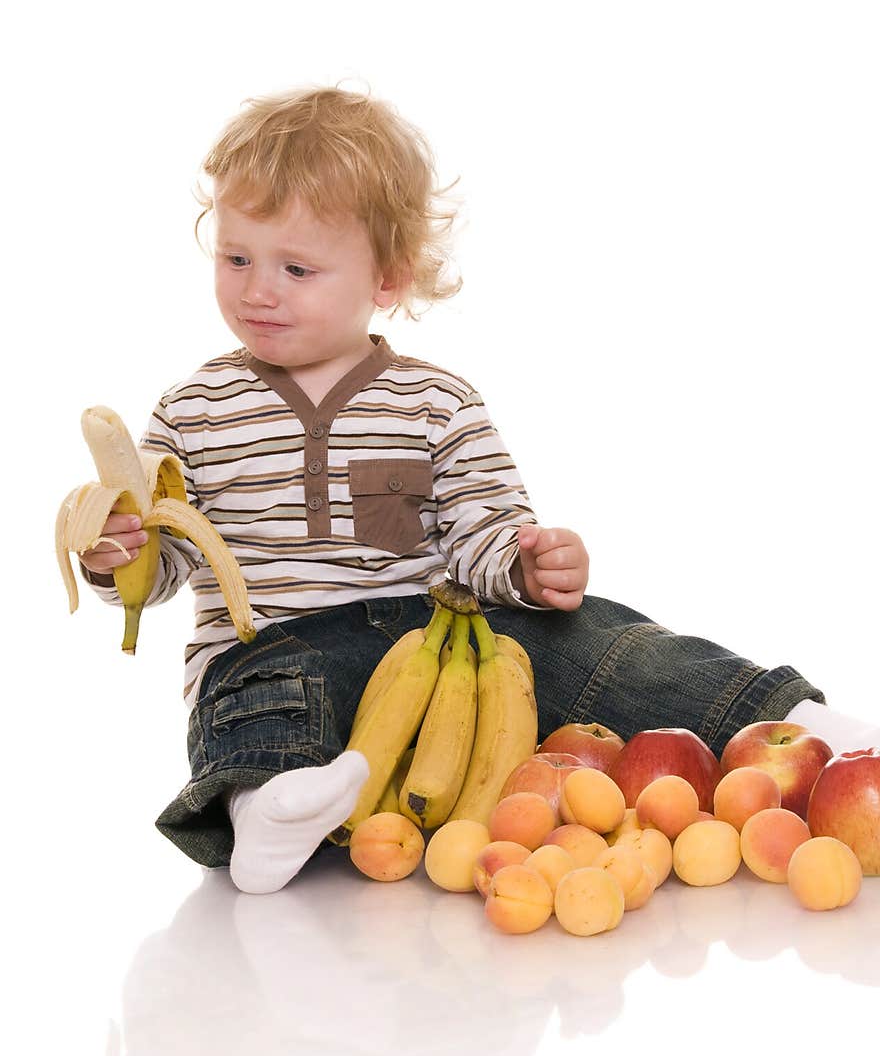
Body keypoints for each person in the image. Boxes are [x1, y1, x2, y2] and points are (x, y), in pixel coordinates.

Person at [78, 85, 879, 895]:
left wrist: (529, 568)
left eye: (296, 268)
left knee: (600, 634)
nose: (258, 290)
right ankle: (264, 807)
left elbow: (484, 531)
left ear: (386, 279)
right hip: (282, 649)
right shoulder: (191, 411)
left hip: (444, 652)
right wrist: (123, 559)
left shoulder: (436, 403)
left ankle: (809, 728)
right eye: (236, 257)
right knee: (254, 698)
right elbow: (173, 554)